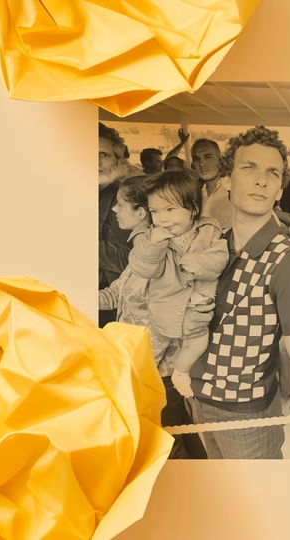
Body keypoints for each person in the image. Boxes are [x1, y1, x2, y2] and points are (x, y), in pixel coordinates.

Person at [187, 126, 290, 459]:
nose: (261, 179)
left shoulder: (288, 261)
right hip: (198, 401)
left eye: (272, 173)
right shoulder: (217, 246)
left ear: (279, 191)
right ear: (228, 180)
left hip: (247, 417)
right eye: (249, 168)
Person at [98, 178, 209, 459]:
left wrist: (131, 370)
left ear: (141, 212)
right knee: (179, 439)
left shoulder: (163, 258)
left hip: (158, 373)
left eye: (121, 204)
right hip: (140, 367)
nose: (114, 210)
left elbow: (160, 322)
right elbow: (116, 294)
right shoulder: (143, 253)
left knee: (172, 444)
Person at [127, 171, 229, 399]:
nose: (162, 218)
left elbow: (220, 257)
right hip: (164, 310)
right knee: (151, 355)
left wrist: (200, 263)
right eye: (155, 211)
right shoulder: (149, 236)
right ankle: (141, 387)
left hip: (196, 310)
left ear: (193, 208)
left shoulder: (208, 230)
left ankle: (181, 373)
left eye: (170, 209)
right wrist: (154, 245)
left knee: (197, 345)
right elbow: (143, 268)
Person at [99, 122, 143, 327]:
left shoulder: (127, 199)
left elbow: (132, 262)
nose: (95, 161)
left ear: (118, 161)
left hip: (113, 306)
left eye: (104, 155)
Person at [191, 138, 233, 230]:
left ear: (220, 159)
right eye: (196, 159)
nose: (202, 163)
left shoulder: (234, 188)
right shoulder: (192, 193)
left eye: (208, 157)